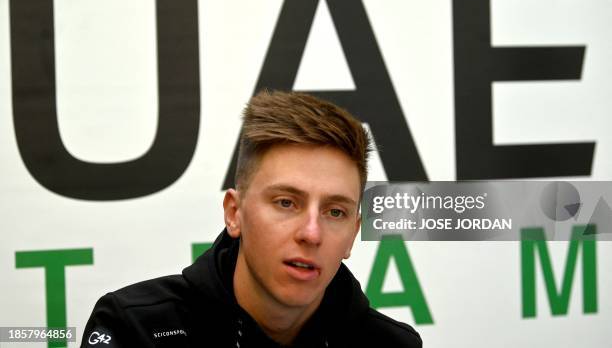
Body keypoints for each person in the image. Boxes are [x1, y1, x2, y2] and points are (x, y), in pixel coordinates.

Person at [81, 90, 422, 347]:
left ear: (352, 235)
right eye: (287, 202)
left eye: (335, 211)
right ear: (234, 213)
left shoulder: (391, 345)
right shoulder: (135, 328)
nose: (312, 233)